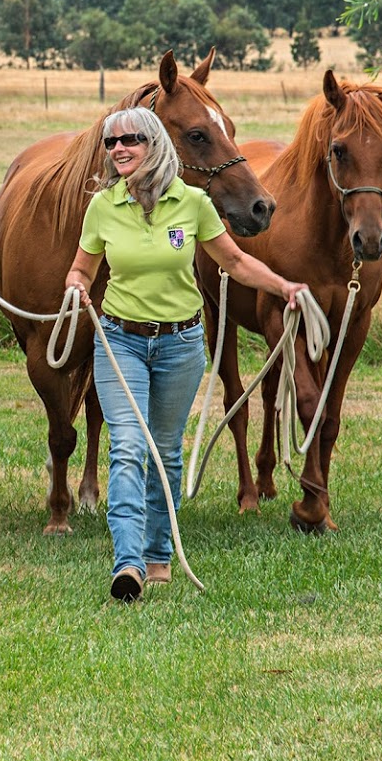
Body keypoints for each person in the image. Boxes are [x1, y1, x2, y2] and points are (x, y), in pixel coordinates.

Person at [64, 106, 308, 604]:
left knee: (167, 451)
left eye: (130, 139)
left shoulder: (192, 203)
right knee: (129, 446)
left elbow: (236, 262)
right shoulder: (103, 207)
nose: (120, 149)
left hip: (179, 345)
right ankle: (128, 563)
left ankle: (158, 558)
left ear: (154, 143)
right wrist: (76, 288)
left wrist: (284, 286)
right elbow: (82, 270)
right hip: (121, 341)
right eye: (112, 143)